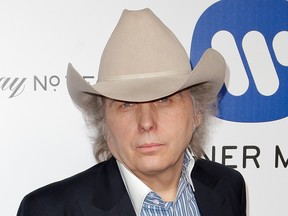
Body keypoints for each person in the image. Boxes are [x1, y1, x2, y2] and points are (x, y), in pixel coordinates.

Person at [17, 8, 246, 216]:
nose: (146, 122)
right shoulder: (49, 210)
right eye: (126, 104)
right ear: (103, 122)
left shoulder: (228, 186)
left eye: (164, 99)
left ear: (196, 113)